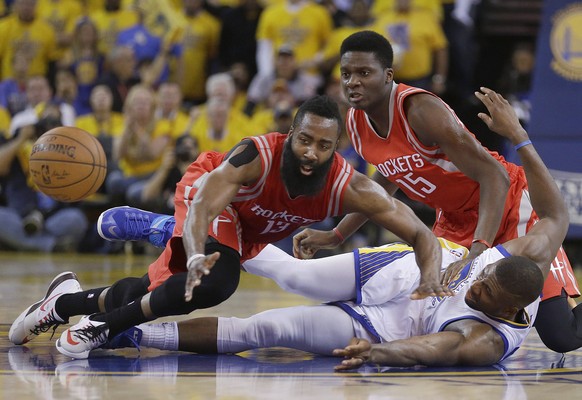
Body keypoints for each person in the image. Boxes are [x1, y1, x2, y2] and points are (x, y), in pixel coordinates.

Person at [101, 88, 569, 369]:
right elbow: (556, 215)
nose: (474, 286)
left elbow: (436, 349)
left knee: (266, 329)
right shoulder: (508, 259)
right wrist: (520, 137)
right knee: (296, 275)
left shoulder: (488, 341)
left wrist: (380, 353)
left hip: (390, 326)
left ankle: (135, 336)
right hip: (403, 272)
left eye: (483, 294)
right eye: (483, 277)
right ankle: (177, 227)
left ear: (507, 309)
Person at [9, 95, 450, 359]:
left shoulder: (349, 185)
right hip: (207, 197)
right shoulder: (255, 155)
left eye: (323, 145)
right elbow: (203, 204)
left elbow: (420, 233)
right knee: (215, 282)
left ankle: (65, 304)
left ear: (338, 148)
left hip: (250, 229)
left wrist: (428, 276)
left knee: (155, 291)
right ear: (289, 133)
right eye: (303, 140)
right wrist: (196, 250)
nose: (311, 152)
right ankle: (105, 323)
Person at [293, 30, 581, 354]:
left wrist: (478, 251)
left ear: (388, 76)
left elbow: (495, 177)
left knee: (563, 337)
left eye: (364, 73)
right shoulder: (356, 123)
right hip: (457, 218)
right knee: (429, 298)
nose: (352, 82)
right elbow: (385, 183)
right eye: (346, 74)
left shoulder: (421, 111)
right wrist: (337, 234)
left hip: (509, 203)